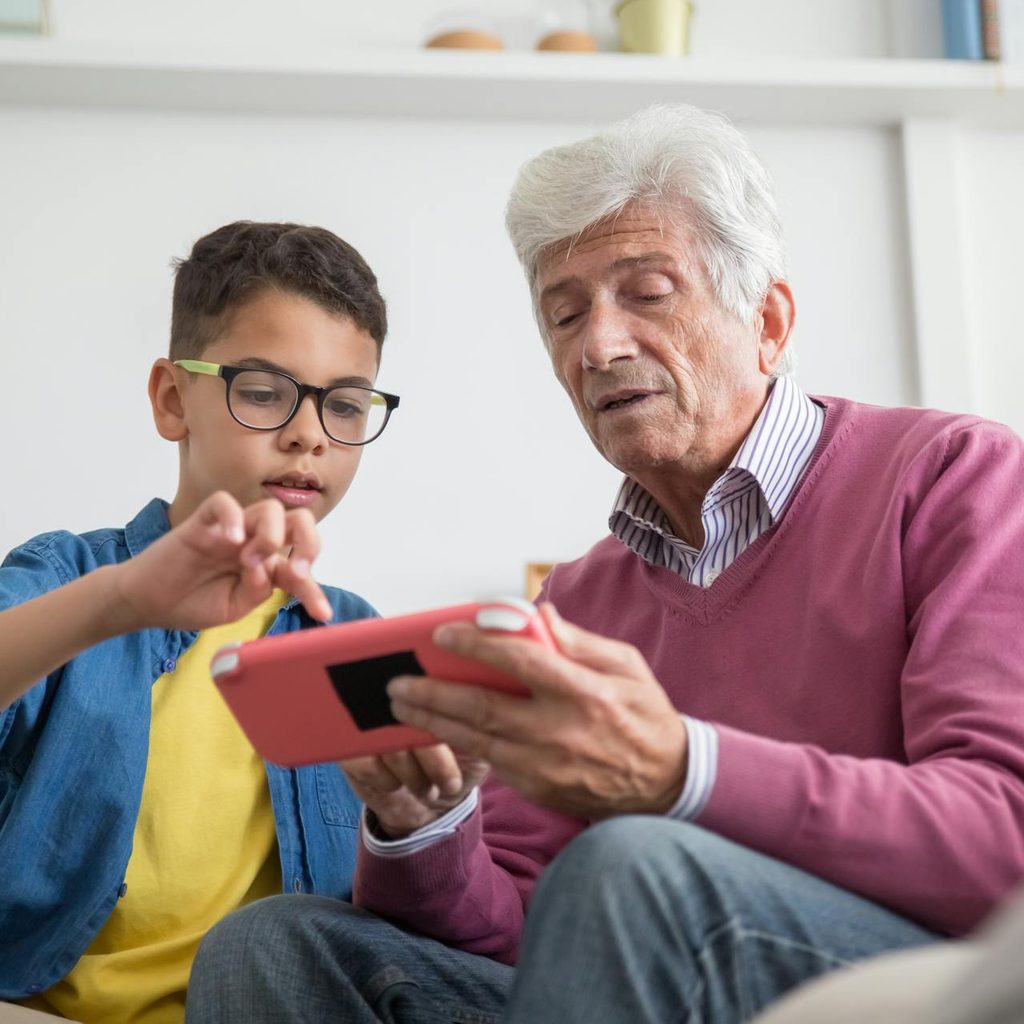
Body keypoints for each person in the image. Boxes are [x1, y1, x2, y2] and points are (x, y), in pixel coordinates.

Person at [185, 105, 1024, 1024]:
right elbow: (514, 932)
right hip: (641, 964)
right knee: (276, 942)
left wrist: (680, 770)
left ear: (769, 321)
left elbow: (1002, 836)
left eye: (648, 292)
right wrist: (424, 823)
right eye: (565, 312)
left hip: (893, 966)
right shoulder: (580, 597)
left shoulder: (952, 477)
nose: (599, 345)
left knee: (630, 868)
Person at [0, 221, 399, 1024]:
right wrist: (123, 602)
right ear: (173, 399)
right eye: (263, 391)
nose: (309, 433)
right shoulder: (70, 581)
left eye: (346, 406)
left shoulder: (358, 640)